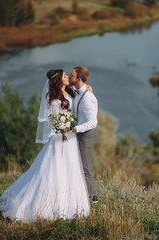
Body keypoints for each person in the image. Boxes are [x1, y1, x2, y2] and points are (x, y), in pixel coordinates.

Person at [0, 69, 90, 223]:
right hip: (60, 138)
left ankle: (73, 205)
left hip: (71, 139)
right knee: (55, 171)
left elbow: (80, 96)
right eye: (65, 76)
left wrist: (88, 89)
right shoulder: (54, 101)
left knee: (71, 169)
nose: (67, 77)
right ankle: (46, 206)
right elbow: (54, 122)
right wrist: (63, 128)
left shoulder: (71, 92)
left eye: (68, 75)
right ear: (59, 80)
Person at [67, 66, 99, 204]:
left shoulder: (87, 98)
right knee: (78, 165)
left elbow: (93, 122)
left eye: (72, 75)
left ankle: (92, 198)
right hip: (79, 132)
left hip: (86, 135)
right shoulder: (78, 91)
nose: (69, 76)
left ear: (79, 79)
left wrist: (76, 129)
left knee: (86, 168)